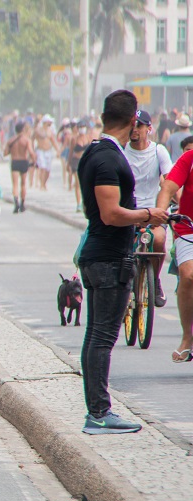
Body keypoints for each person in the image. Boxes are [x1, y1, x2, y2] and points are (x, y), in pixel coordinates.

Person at [77, 90, 167, 435]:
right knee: (102, 337)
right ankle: (99, 413)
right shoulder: (107, 159)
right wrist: (148, 214)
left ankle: (96, 410)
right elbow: (111, 213)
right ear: (133, 122)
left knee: (95, 336)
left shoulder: (96, 152)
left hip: (100, 256)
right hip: (108, 258)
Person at [125, 110, 173, 307]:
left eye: (139, 125)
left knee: (159, 240)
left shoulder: (158, 151)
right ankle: (123, 289)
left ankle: (155, 280)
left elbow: (170, 182)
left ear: (149, 129)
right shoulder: (121, 151)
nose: (135, 129)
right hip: (129, 211)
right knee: (123, 247)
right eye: (132, 125)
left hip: (153, 212)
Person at [157, 139, 193, 363]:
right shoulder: (189, 159)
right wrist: (159, 211)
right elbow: (169, 186)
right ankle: (187, 337)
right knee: (188, 276)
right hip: (188, 228)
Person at [4, 121, 35, 213]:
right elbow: (31, 152)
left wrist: (12, 150)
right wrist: (34, 161)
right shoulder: (26, 140)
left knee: (15, 184)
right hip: (24, 161)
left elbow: (5, 153)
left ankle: (16, 202)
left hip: (15, 161)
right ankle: (22, 204)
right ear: (23, 129)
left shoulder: (11, 140)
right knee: (23, 184)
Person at [67, 121, 90, 212]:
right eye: (80, 127)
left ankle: (85, 202)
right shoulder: (74, 139)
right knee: (78, 183)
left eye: (83, 127)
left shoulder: (88, 138)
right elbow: (71, 152)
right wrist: (68, 163)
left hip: (86, 161)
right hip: (76, 161)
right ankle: (78, 203)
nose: (82, 129)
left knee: (86, 183)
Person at [33, 115, 61, 190]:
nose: (50, 124)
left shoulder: (50, 131)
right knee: (42, 168)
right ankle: (41, 184)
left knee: (48, 170)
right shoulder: (38, 130)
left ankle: (44, 183)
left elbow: (53, 141)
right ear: (45, 122)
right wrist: (32, 151)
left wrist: (58, 150)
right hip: (40, 151)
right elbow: (32, 139)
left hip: (48, 151)